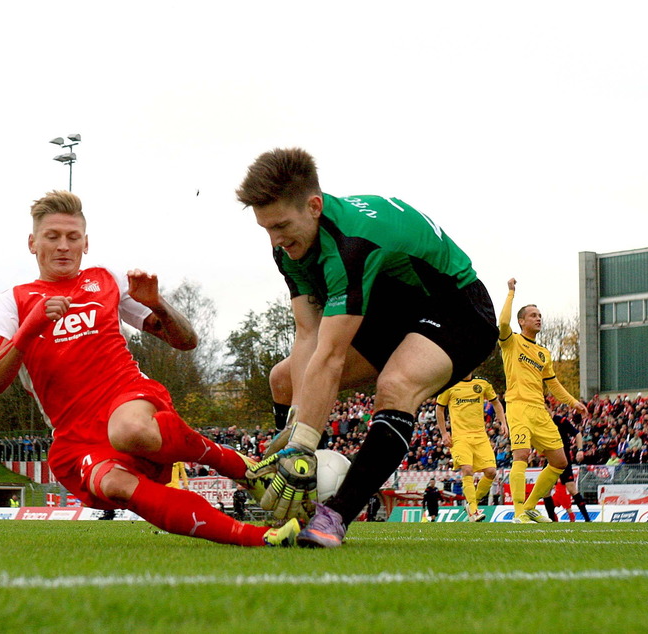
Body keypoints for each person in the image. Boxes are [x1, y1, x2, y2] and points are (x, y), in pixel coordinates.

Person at [0, 190, 299, 547]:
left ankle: (237, 466)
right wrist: (30, 327)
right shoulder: (13, 301)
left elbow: (186, 341)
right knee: (115, 485)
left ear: (86, 243)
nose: (63, 246)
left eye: (73, 238)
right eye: (52, 237)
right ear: (32, 243)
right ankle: (260, 538)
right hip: (75, 433)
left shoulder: (105, 280)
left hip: (126, 394)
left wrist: (159, 305)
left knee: (130, 429)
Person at [236, 148, 498, 548]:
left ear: (314, 206)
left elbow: (330, 356)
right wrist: (296, 428)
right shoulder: (289, 248)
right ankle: (300, 499)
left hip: (458, 308)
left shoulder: (351, 244)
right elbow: (308, 335)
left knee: (396, 385)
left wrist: (301, 443)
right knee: (284, 380)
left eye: (282, 225)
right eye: (266, 228)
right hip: (394, 313)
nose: (275, 240)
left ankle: (335, 516)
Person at [498, 278, 588, 524]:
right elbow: (503, 322)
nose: (539, 318)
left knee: (559, 461)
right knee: (522, 454)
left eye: (540, 315)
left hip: (539, 410)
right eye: (533, 315)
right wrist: (510, 293)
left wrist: (572, 402)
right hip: (517, 406)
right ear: (522, 321)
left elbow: (553, 383)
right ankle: (518, 513)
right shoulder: (511, 342)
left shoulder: (543, 353)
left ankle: (528, 508)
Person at [436, 373, 507, 522]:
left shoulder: (482, 383)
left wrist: (503, 423)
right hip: (460, 437)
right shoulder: (449, 385)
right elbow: (440, 409)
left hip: (480, 436)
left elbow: (496, 403)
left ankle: (471, 502)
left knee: (491, 472)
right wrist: (444, 433)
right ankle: (474, 510)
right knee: (467, 469)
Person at [542, 411, 591, 522]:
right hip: (550, 459)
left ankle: (587, 519)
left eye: (546, 409)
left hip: (564, 459)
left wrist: (580, 450)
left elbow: (577, 434)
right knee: (545, 490)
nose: (544, 412)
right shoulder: (542, 422)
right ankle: (552, 520)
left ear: (550, 409)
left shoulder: (561, 421)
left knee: (571, 488)